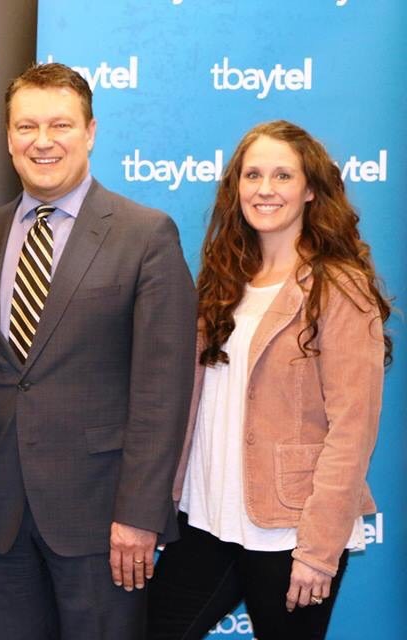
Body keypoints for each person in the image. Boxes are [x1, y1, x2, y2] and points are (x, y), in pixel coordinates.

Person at [0, 62, 197, 640]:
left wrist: (140, 514)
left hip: (102, 520)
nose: (42, 141)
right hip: (1, 515)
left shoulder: (145, 234)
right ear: (8, 137)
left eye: (60, 125)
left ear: (90, 131)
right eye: (26, 126)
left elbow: (163, 393)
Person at [147, 120, 391, 639]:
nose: (265, 189)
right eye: (252, 175)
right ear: (235, 188)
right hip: (206, 519)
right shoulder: (222, 280)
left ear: (309, 190)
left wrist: (319, 552)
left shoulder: (340, 287)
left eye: (283, 175)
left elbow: (352, 430)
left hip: (291, 531)